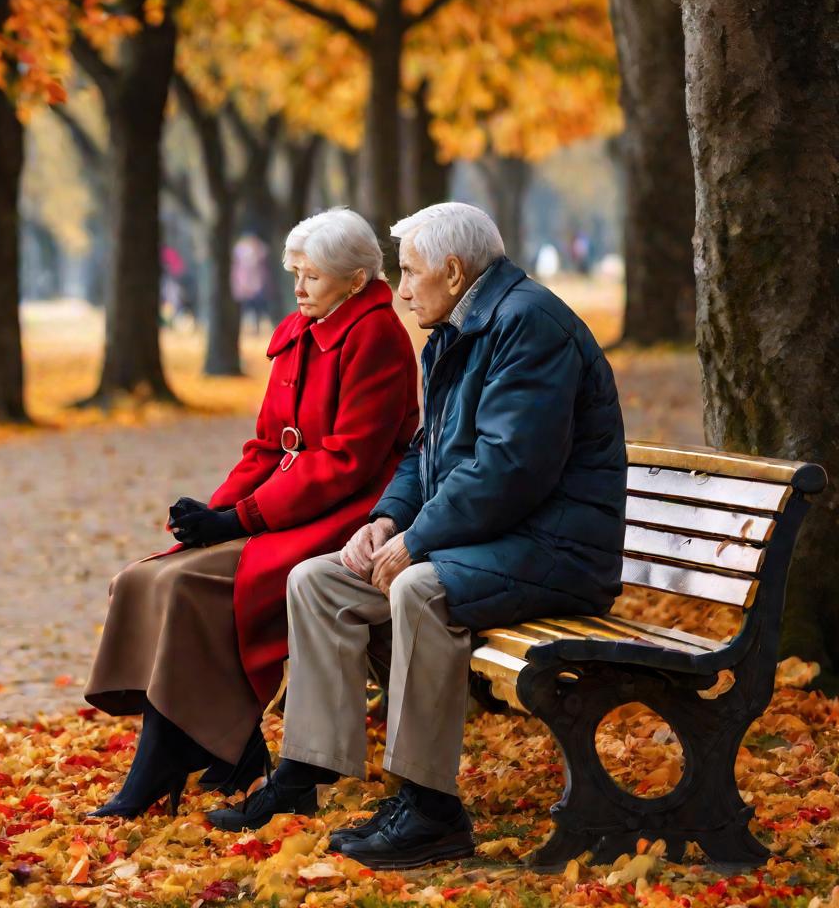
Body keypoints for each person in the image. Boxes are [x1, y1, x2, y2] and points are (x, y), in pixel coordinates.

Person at [208, 202, 626, 871]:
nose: (400, 290)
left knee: (421, 588)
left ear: (454, 272)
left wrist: (417, 541)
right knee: (317, 581)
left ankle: (431, 808)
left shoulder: (529, 327)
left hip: (557, 550)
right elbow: (425, 453)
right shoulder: (464, 327)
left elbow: (509, 469)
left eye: (411, 273)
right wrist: (387, 520)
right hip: (498, 540)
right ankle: (304, 774)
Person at [82, 207, 420, 819]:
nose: (296, 288)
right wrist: (212, 515)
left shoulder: (376, 336)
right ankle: (220, 747)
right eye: (295, 273)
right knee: (147, 575)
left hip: (350, 514)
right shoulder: (302, 327)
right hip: (289, 504)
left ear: (356, 279)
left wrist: (241, 522)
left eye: (311, 277)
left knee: (192, 586)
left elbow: (347, 461)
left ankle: (175, 754)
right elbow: (268, 445)